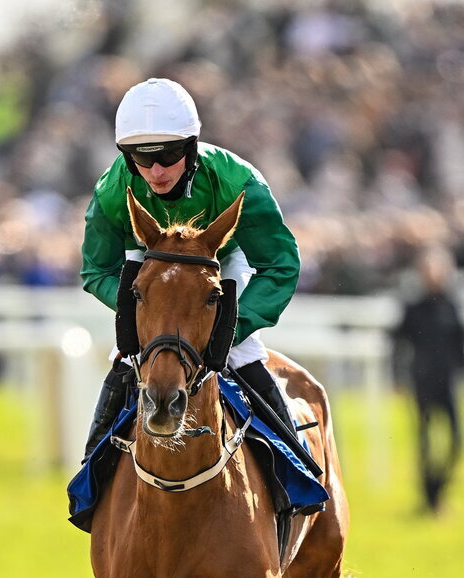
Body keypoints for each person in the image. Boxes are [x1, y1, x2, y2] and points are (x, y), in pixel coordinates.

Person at [80, 77, 301, 461]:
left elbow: (279, 265)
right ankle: (90, 474)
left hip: (217, 261)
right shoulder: (113, 189)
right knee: (125, 353)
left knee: (244, 354)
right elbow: (96, 269)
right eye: (141, 157)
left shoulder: (238, 183)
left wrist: (229, 326)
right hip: (147, 264)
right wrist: (144, 313)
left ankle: (296, 465)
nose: (155, 171)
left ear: (192, 146)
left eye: (168, 155)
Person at [390, 247, 464, 513]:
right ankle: (429, 499)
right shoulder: (413, 307)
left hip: (448, 382)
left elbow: (462, 343)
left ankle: (438, 490)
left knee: (457, 440)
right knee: (424, 441)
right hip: (422, 382)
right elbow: (397, 343)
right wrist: (397, 377)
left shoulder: (453, 304)